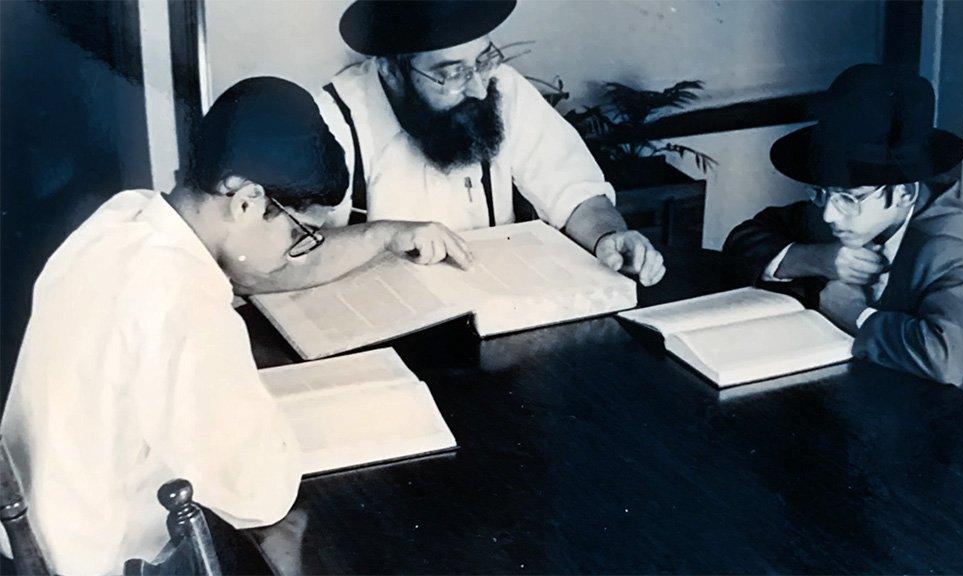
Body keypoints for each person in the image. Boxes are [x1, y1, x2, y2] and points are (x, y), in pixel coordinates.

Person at [0, 76, 467, 575]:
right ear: (245, 201)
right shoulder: (179, 297)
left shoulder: (124, 217)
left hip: (39, 532)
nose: (297, 252)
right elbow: (258, 495)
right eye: (300, 233)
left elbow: (250, 271)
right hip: (102, 560)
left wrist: (384, 236)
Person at [307, 0, 665, 288]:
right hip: (379, 328)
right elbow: (284, 254)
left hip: (492, 313)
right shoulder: (332, 119)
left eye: (483, 61)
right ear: (389, 70)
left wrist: (607, 236)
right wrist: (383, 235)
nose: (478, 88)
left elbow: (573, 192)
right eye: (451, 74)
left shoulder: (501, 88)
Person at [722, 64, 963, 415]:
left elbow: (944, 358)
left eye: (846, 197)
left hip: (957, 428)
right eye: (821, 193)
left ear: (902, 194)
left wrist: (857, 315)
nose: (829, 214)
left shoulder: (952, 246)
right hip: (870, 397)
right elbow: (743, 239)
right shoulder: (840, 210)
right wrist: (818, 258)